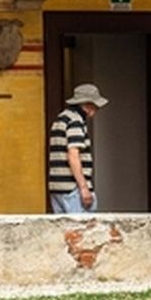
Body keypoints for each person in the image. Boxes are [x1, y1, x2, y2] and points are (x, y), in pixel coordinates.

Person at [47, 84, 106, 214]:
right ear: (89, 105)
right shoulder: (75, 121)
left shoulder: (61, 119)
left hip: (57, 188)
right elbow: (73, 154)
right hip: (72, 189)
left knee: (64, 233)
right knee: (84, 232)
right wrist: (84, 188)